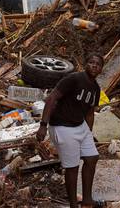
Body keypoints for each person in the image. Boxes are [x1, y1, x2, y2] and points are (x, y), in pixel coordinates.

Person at [36, 53, 104, 208]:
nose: (94, 65)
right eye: (91, 62)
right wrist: (43, 125)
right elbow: (52, 98)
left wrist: (89, 133)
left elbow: (89, 112)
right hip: (62, 126)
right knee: (72, 167)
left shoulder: (96, 88)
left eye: (98, 64)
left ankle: (87, 200)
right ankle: (74, 204)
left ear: (101, 69)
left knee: (92, 158)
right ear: (85, 64)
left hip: (80, 126)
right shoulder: (73, 79)